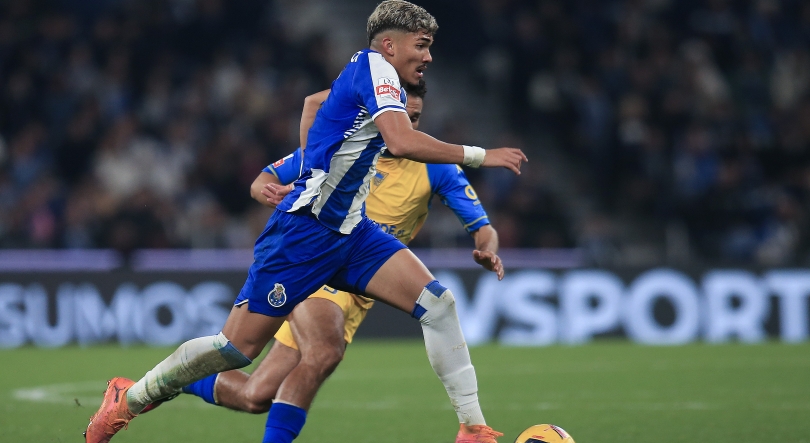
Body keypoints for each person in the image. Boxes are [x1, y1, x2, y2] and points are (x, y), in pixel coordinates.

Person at [84, 2, 526, 442]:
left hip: (352, 233)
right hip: (305, 234)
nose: (429, 57)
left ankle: (471, 428)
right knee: (235, 350)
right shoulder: (375, 70)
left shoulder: (373, 75)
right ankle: (131, 397)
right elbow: (400, 139)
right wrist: (483, 155)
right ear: (390, 45)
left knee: (438, 305)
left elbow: (321, 105)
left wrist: (315, 156)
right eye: (422, 45)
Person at [153, 81, 504, 431]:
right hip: (317, 264)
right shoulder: (344, 146)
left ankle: (179, 380)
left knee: (256, 396)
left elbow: (483, 228)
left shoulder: (436, 166)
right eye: (400, 116)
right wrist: (271, 195)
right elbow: (264, 179)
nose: (407, 126)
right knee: (323, 352)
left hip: (365, 280)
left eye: (414, 118)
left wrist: (487, 250)